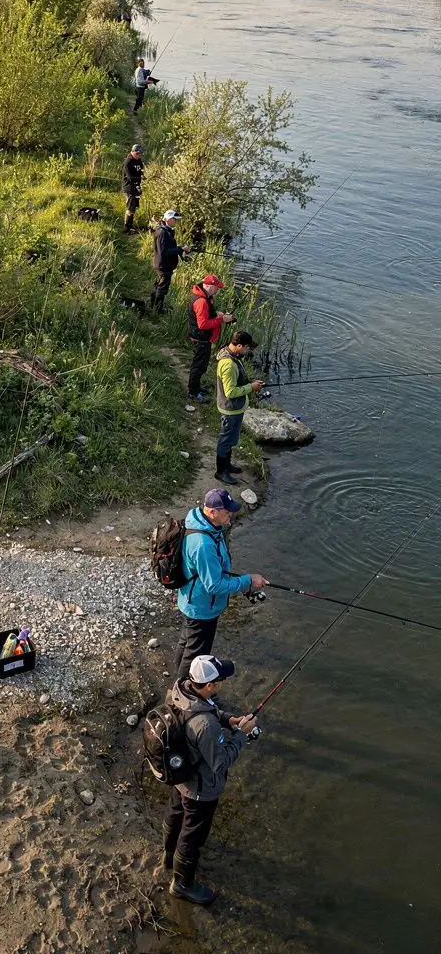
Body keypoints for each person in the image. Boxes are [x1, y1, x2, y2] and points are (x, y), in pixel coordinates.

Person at [160, 655, 258, 904]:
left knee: (175, 816)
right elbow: (220, 762)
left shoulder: (179, 689)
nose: (223, 682)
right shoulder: (205, 726)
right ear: (209, 686)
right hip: (200, 790)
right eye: (220, 679)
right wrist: (241, 735)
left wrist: (229, 720)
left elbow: (208, 708)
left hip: (179, 775)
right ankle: (181, 885)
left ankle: (168, 857)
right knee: (192, 836)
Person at [174, 488, 268, 681]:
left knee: (187, 642)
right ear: (213, 512)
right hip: (202, 607)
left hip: (191, 601)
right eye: (227, 512)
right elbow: (214, 586)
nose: (231, 515)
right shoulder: (203, 544)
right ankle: (183, 693)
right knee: (196, 654)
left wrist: (241, 583)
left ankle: (179, 680)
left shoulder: (204, 524)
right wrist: (248, 580)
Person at [215, 330, 264, 483]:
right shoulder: (228, 364)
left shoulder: (233, 356)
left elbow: (237, 382)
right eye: (247, 348)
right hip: (230, 409)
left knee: (231, 439)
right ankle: (221, 472)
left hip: (236, 408)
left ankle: (227, 465)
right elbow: (230, 392)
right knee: (225, 439)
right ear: (239, 345)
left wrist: (251, 384)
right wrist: (251, 388)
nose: (248, 351)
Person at [187, 274, 234, 400]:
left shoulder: (206, 296)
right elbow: (202, 324)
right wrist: (221, 320)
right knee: (198, 365)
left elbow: (207, 315)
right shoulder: (201, 301)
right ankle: (193, 392)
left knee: (202, 364)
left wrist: (217, 315)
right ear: (209, 286)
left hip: (203, 337)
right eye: (216, 287)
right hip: (200, 337)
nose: (217, 290)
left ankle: (196, 386)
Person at [150, 209, 190, 312]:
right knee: (162, 287)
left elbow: (169, 248)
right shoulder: (163, 233)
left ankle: (152, 304)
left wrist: (181, 250)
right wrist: (181, 249)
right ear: (168, 219)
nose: (176, 221)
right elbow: (165, 252)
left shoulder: (165, 230)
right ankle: (158, 309)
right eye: (174, 219)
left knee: (158, 284)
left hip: (161, 263)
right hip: (164, 265)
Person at [121, 143, 145, 232]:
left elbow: (141, 170)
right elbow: (130, 177)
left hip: (136, 188)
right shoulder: (128, 162)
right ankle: (127, 227)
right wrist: (140, 177)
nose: (139, 155)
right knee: (130, 208)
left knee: (134, 207)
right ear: (133, 152)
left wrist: (143, 176)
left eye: (140, 154)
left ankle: (131, 225)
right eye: (138, 153)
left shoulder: (139, 161)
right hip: (129, 188)